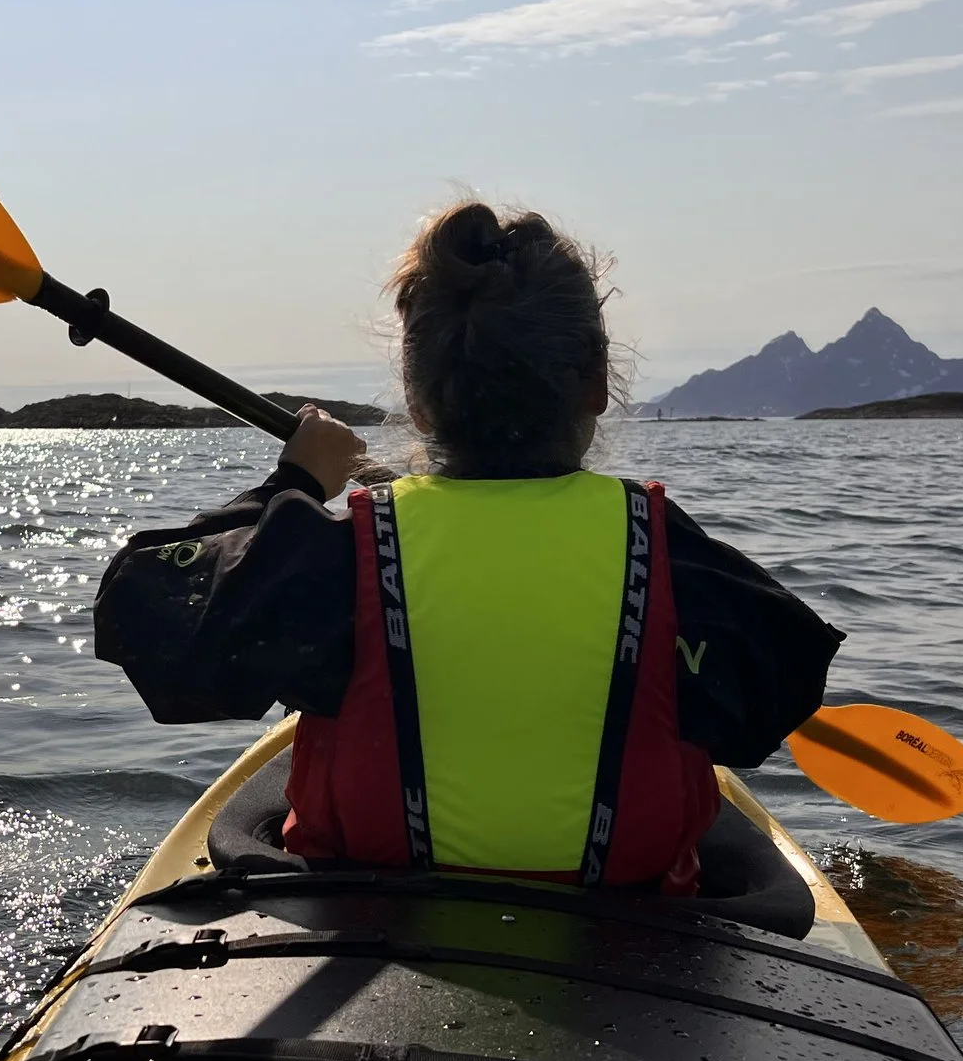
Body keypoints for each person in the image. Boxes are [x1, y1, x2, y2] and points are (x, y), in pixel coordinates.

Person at [92, 200, 842, 891]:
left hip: (363, 920)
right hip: (629, 936)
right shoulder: (677, 562)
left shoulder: (333, 562)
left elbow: (144, 622)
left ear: (417, 401)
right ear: (596, 382)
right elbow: (771, 701)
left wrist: (293, 484)